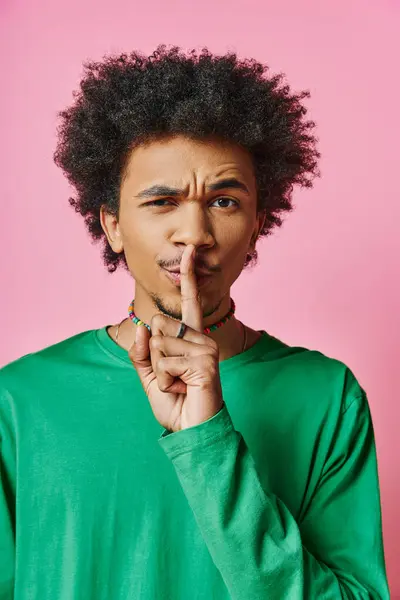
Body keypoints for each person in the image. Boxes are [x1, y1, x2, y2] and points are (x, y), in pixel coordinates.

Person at [0, 45, 389, 600]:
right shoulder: (18, 400)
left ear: (257, 224)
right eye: (162, 202)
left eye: (225, 202)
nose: (195, 234)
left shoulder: (327, 397)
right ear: (112, 226)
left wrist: (209, 442)